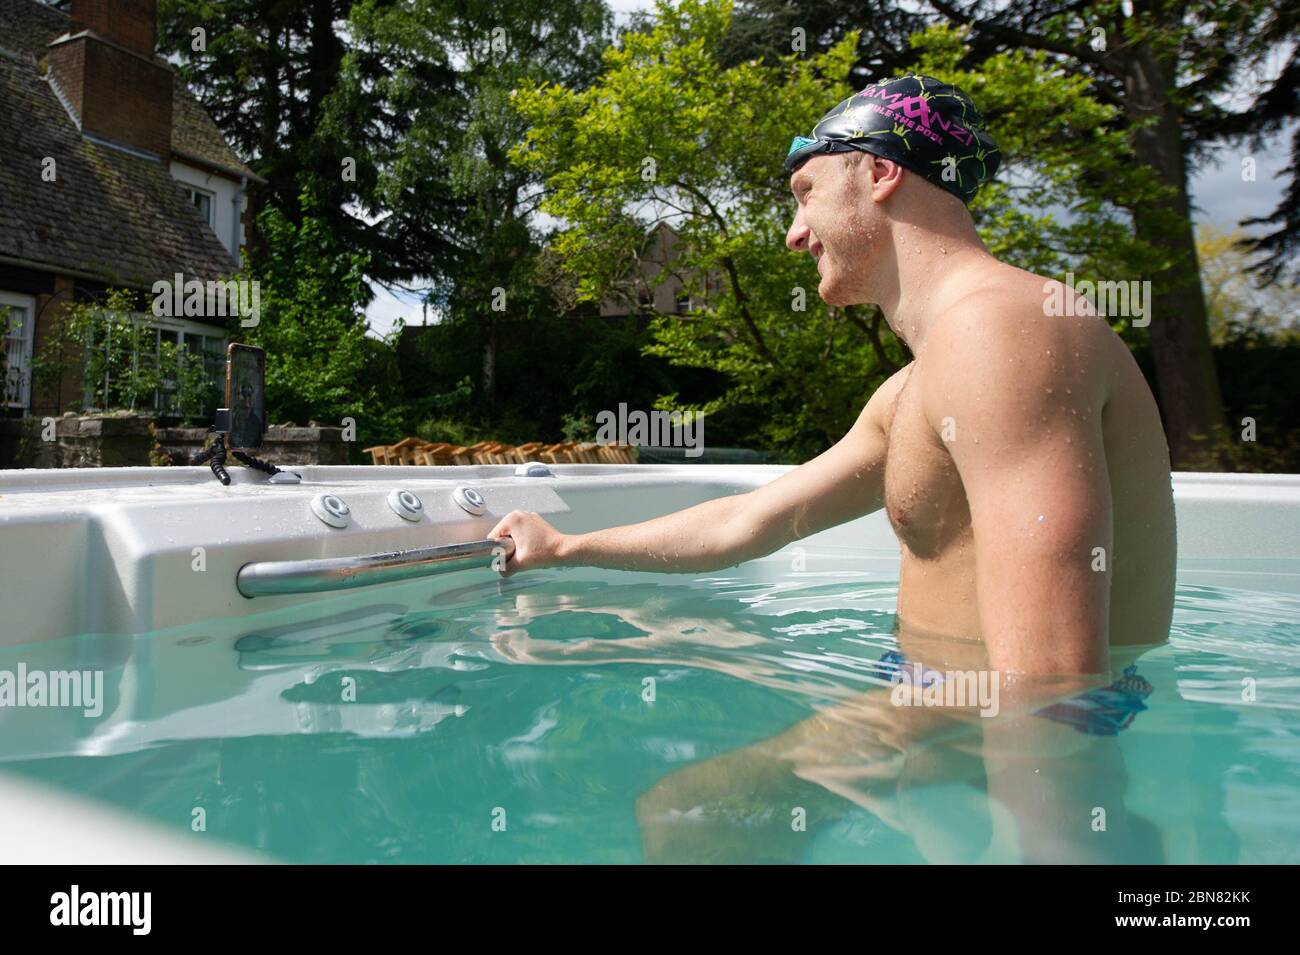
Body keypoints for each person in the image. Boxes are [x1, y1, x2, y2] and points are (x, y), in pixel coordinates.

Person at [486, 74, 1176, 861]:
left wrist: (1052, 845)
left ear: (881, 173)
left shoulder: (1000, 331)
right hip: (937, 707)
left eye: (805, 193)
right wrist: (568, 547)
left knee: (692, 811)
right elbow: (753, 520)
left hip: (980, 715)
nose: (793, 231)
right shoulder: (920, 381)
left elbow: (1053, 684)